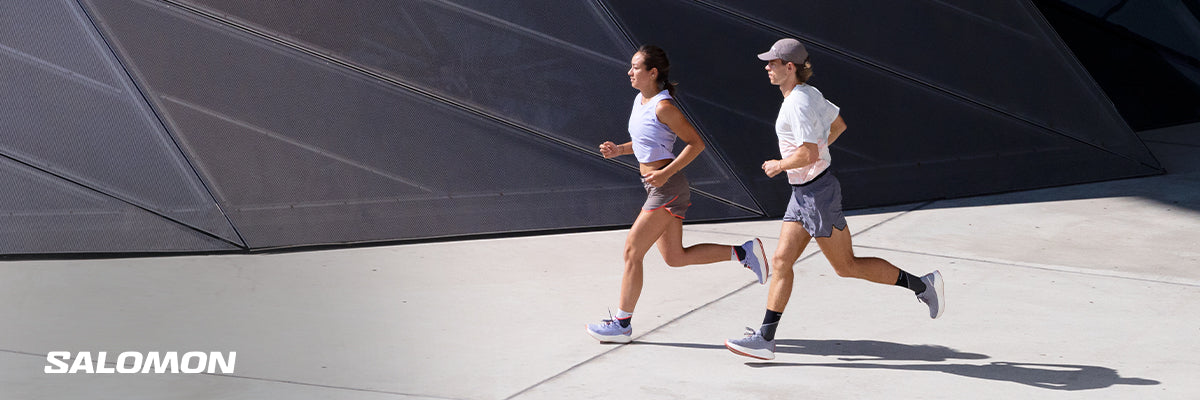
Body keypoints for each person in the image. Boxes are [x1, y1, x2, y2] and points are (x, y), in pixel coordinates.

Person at [724, 39, 945, 360]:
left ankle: (923, 285)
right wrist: (814, 155)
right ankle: (765, 338)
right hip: (804, 193)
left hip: (817, 195)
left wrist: (780, 165)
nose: (767, 67)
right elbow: (838, 125)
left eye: (773, 63)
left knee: (846, 266)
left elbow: (808, 153)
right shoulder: (809, 93)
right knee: (782, 261)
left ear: (790, 67)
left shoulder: (797, 103)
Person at [586, 45, 770, 344]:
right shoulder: (640, 101)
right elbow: (645, 142)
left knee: (632, 251)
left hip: (667, 188)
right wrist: (619, 149)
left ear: (652, 72)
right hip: (656, 185)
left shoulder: (663, 106)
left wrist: (666, 173)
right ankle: (743, 252)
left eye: (635, 67)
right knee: (674, 257)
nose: (629, 72)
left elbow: (696, 144)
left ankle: (622, 324)